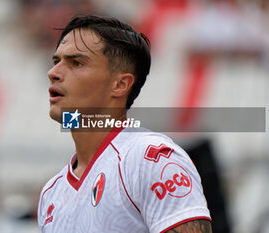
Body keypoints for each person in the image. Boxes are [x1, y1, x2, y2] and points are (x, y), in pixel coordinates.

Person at [37, 15, 212, 233]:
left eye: (76, 63)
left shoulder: (149, 160)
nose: (53, 73)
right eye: (56, 62)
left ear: (120, 84)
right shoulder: (51, 194)